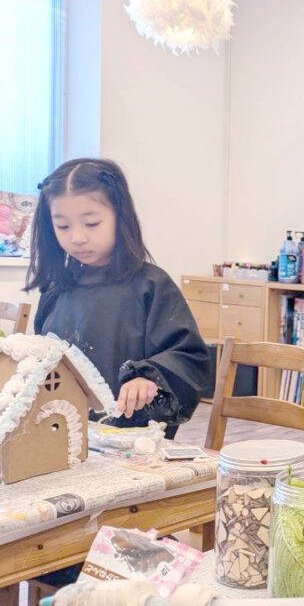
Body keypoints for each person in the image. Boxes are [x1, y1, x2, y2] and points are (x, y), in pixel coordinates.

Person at [26, 158, 212, 437]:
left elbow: (190, 358)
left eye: (91, 223)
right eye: (62, 226)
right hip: (64, 436)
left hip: (134, 442)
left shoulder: (151, 285)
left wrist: (149, 377)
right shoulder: (56, 288)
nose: (77, 237)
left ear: (120, 216)